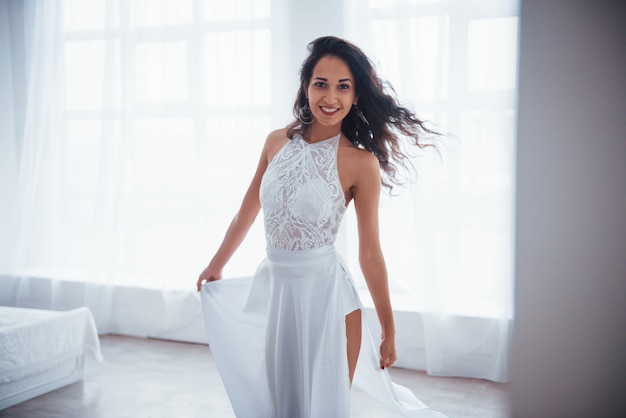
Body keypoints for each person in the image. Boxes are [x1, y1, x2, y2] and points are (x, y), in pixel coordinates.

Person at [196, 36, 448, 418]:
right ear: (305, 87)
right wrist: (216, 265)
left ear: (357, 95)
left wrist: (389, 328)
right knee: (282, 405)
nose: (330, 97)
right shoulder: (275, 142)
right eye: (321, 84)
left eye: (343, 87)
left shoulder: (360, 164)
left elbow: (370, 252)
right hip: (279, 294)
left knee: (321, 409)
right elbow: (245, 213)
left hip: (328, 299)